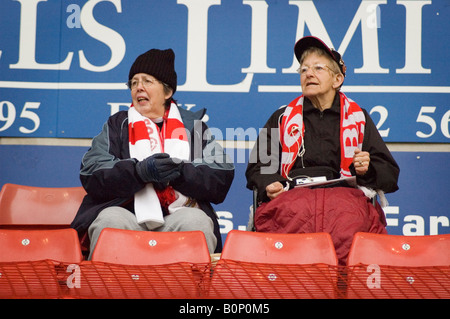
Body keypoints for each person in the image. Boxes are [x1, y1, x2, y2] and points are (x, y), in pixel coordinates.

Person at [246, 36, 399, 265]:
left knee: (353, 224)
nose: (309, 74)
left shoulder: (358, 118)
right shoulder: (282, 118)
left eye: (318, 68)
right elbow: (259, 167)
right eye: (304, 69)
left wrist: (368, 168)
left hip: (346, 208)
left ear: (337, 79)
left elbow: (389, 174)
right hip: (292, 204)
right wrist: (271, 182)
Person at [71, 48, 234, 258]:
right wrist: (138, 172)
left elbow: (221, 174)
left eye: (147, 81)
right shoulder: (117, 125)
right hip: (129, 214)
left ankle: (187, 291)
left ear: (167, 92)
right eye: (134, 83)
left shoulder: (193, 127)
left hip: (178, 215)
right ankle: (110, 290)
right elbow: (91, 172)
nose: (139, 87)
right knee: (110, 218)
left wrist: (180, 172)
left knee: (197, 221)